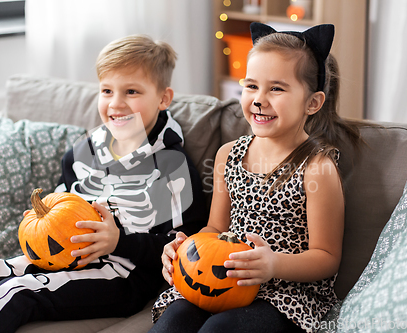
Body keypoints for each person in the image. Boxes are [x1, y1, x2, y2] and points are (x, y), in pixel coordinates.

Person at [0, 34, 208, 333]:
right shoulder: (84, 151)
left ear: (163, 98)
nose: (116, 103)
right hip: (66, 255)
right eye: (107, 90)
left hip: (124, 275)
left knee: (15, 291)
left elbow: (188, 241)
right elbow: (61, 200)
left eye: (131, 91)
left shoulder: (174, 167)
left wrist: (119, 241)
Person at [150, 23, 362, 333]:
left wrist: (272, 264)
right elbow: (215, 229)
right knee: (173, 320)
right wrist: (185, 248)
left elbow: (326, 257)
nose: (259, 99)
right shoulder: (228, 155)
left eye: (276, 88)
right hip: (220, 278)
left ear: (312, 103)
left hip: (284, 295)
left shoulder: (317, 167)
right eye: (251, 86)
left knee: (218, 330)